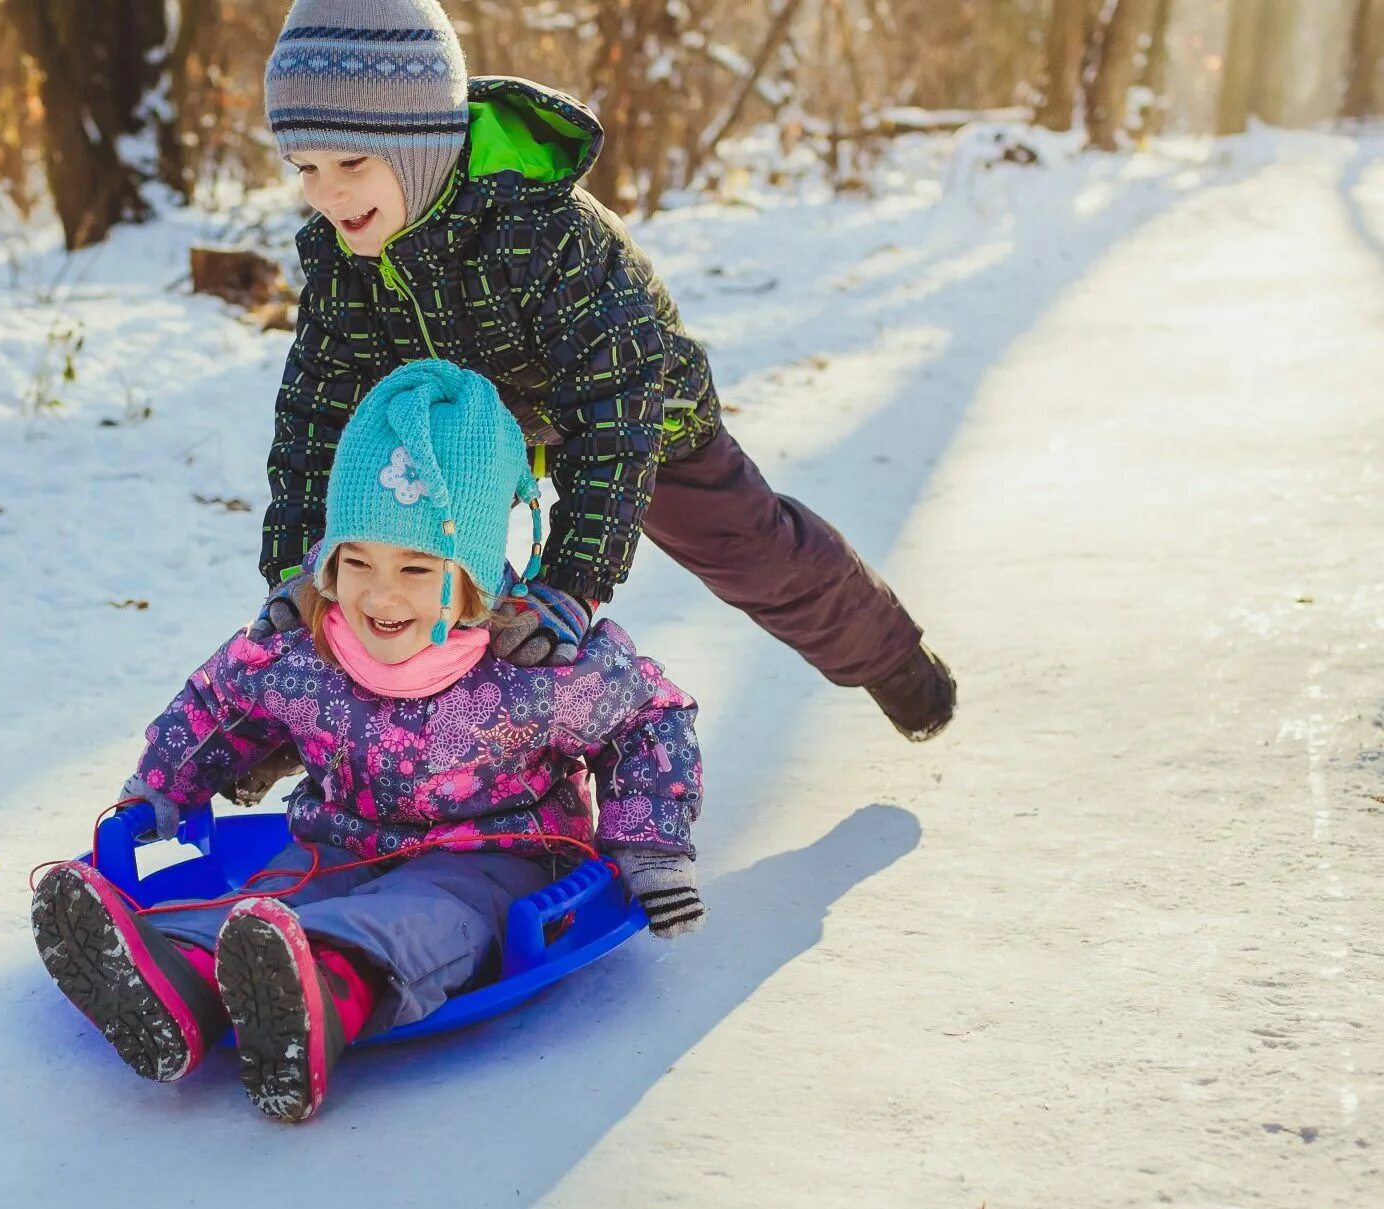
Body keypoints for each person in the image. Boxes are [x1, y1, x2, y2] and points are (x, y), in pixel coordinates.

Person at [250, 0, 956, 739]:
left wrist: (571, 585)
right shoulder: (343, 259)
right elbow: (320, 414)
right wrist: (301, 566)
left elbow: (616, 413)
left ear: (422, 144)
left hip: (639, 410)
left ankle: (893, 663)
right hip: (472, 427)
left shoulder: (547, 231)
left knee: (751, 553)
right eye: (305, 167)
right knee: (383, 579)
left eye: (352, 164)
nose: (325, 193)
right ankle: (308, 739)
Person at [31, 360, 704, 1124]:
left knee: (418, 915)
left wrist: (649, 844)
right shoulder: (310, 647)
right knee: (261, 906)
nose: (381, 596)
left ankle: (318, 996)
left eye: (417, 568)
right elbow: (223, 704)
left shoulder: (536, 667)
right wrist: (160, 790)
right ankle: (174, 980)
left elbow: (651, 715)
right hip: (337, 843)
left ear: (473, 577)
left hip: (493, 859)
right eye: (357, 562)